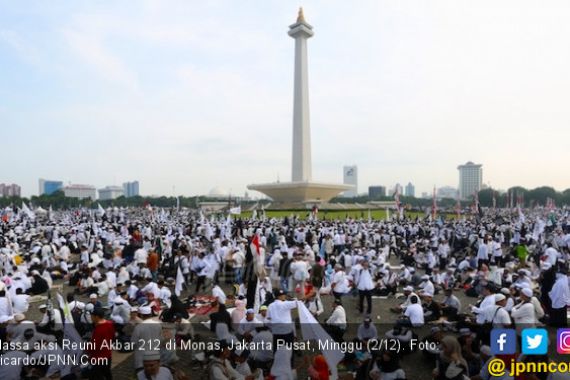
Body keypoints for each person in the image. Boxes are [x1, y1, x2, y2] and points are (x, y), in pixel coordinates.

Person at [88, 307, 115, 380]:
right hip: (108, 355)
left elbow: (94, 347)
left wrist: (86, 348)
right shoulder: (109, 324)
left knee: (96, 376)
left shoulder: (99, 330)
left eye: (92, 316)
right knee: (107, 373)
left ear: (96, 317)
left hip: (98, 358)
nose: (91, 317)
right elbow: (113, 338)